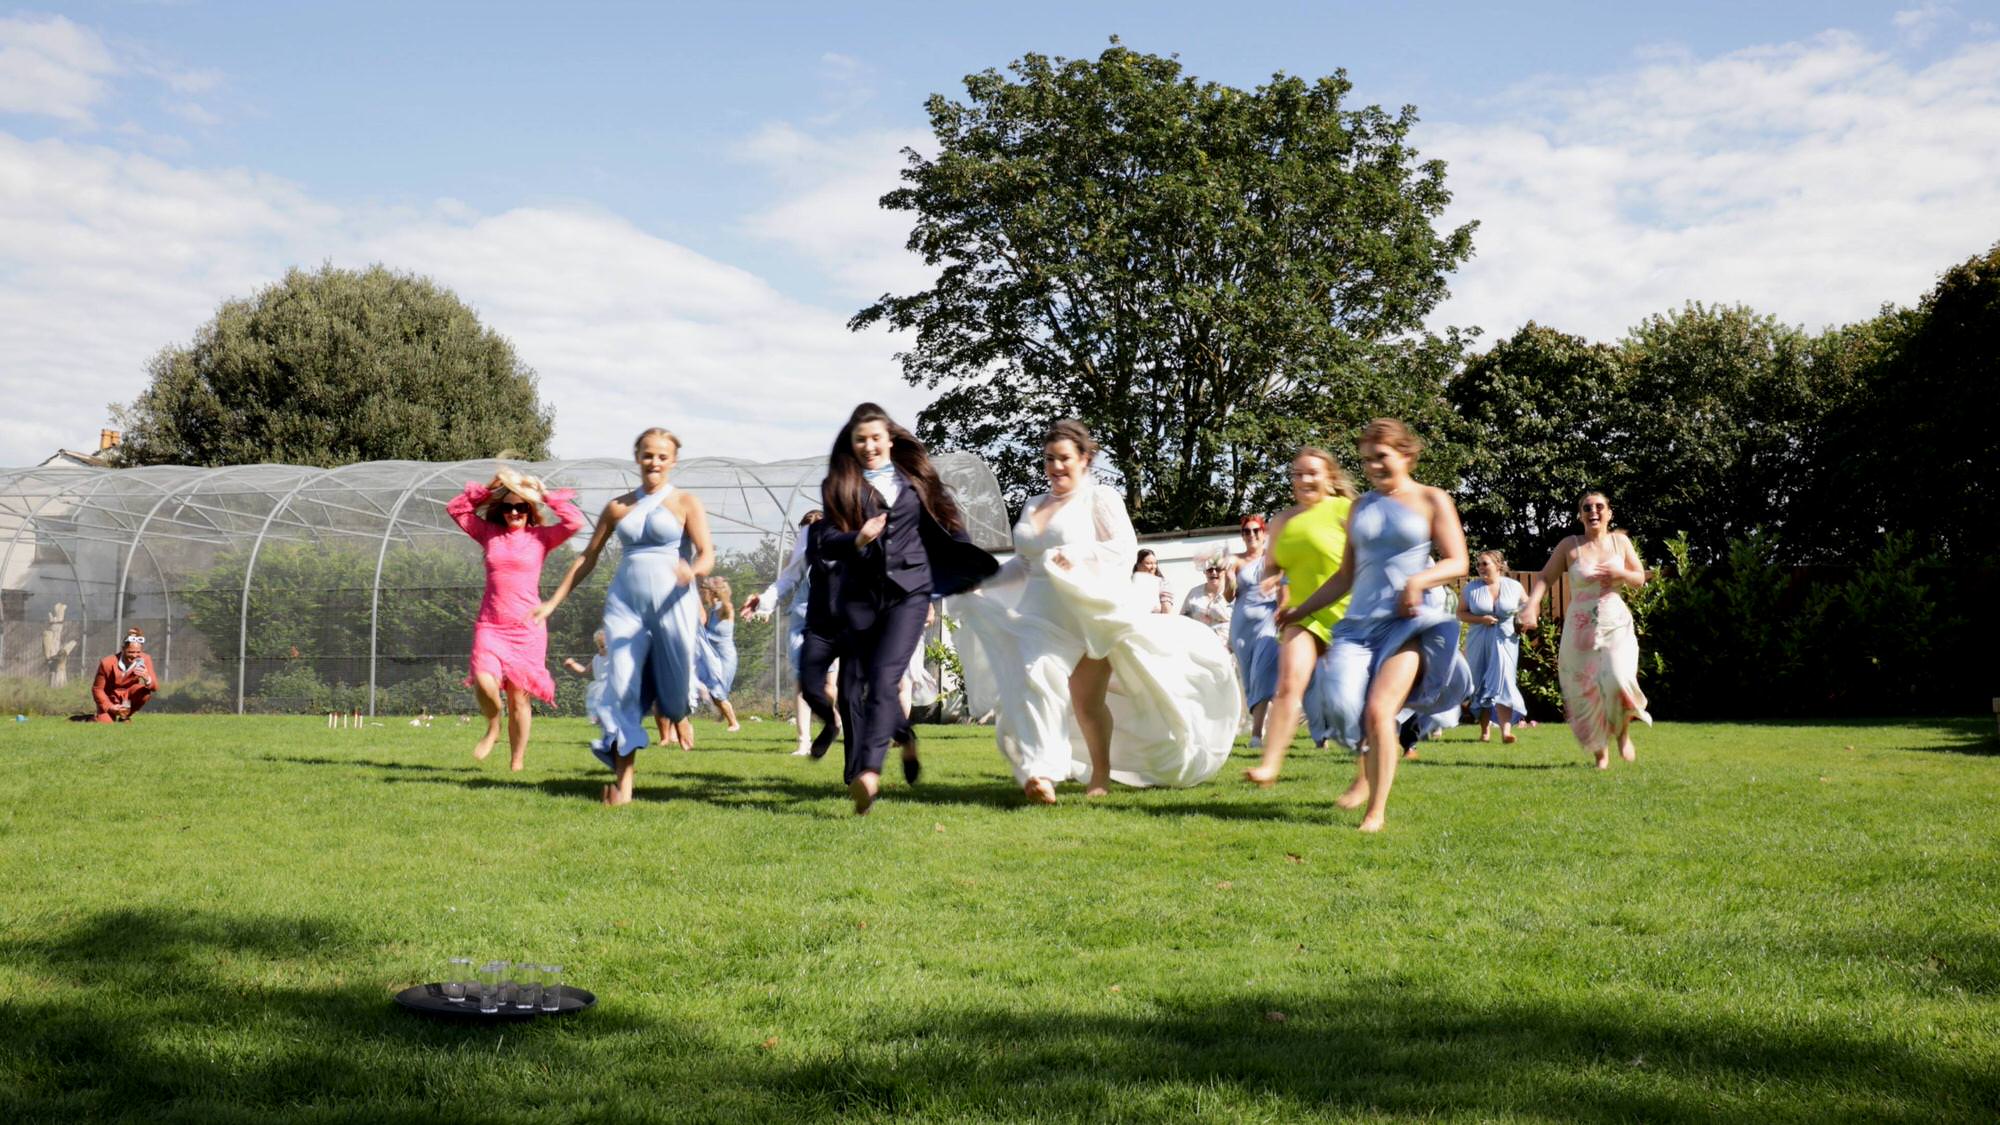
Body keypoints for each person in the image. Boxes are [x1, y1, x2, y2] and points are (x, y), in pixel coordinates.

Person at [953, 420, 1238, 803]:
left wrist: (1078, 555)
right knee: (1035, 678)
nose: (1056, 467)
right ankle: (1041, 772)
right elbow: (1023, 565)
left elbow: (1123, 547)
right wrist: (983, 583)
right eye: (1049, 459)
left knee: (1086, 705)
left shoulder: (1099, 499)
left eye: (1064, 458)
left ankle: (1100, 773)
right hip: (1039, 616)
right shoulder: (1034, 504)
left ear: (1085, 459)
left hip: (1087, 616)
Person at [1282, 419, 1472, 832]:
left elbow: (1458, 561)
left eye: (1381, 457)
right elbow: (1344, 576)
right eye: (1367, 460)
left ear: (1405, 454)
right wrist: (1300, 610)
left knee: (1380, 709)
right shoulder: (1360, 507)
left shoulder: (1431, 499)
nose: (1373, 467)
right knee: (1342, 705)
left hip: (1407, 626)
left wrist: (1419, 580)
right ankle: (1365, 769)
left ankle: (1376, 812)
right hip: (1356, 628)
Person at [820, 403, 998, 814]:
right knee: (855, 689)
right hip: (862, 598)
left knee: (885, 681)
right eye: (860, 440)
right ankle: (906, 737)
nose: (869, 446)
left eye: (876, 438)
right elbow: (826, 540)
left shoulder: (915, 480)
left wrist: (967, 568)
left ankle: (868, 775)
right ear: (852, 444)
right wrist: (858, 539)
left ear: (890, 439)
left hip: (911, 593)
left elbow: (950, 524)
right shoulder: (839, 485)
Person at [534, 428, 713, 806]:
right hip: (626, 607)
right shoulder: (618, 507)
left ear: (673, 461)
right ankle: (623, 789)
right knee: (622, 691)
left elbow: (706, 553)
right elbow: (588, 557)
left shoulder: (685, 502)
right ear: (637, 457)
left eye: (663, 456)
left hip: (672, 605)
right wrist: (552, 602)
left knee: (675, 698)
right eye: (648, 455)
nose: (655, 462)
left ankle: (678, 712)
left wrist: (693, 573)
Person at [445, 466, 585, 770]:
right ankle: (493, 726)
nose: (513, 512)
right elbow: (455, 508)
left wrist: (545, 494)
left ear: (529, 509)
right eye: (508, 507)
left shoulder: (541, 538)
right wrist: (491, 487)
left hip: (527, 629)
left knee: (520, 700)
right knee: (484, 682)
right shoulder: (489, 533)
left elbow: (575, 522)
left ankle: (517, 762)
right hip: (491, 626)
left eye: (520, 506)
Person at [1244, 448, 1356, 786]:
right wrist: (1272, 577)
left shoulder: (1346, 511)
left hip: (1348, 613)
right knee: (1288, 685)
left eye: (1312, 473)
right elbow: (1274, 564)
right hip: (1302, 615)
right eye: (1297, 473)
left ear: (1329, 477)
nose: (1304, 480)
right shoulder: (1282, 521)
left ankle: (1366, 777)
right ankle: (1270, 765)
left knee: (1351, 698)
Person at [1520, 490, 1652, 768]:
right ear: (1580, 515)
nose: (1594, 511)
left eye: (1599, 507)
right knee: (1587, 690)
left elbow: (1639, 578)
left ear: (1609, 513)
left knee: (1618, 678)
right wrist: (1531, 606)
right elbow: (1545, 576)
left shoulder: (1620, 542)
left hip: (1615, 621)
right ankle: (1600, 754)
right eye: (1587, 508)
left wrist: (1621, 575)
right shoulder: (1570, 545)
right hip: (1580, 626)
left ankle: (1623, 734)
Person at [744, 510, 842, 757]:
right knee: (802, 682)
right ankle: (803, 742)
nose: (811, 529)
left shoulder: (843, 549)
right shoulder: (804, 550)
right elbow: (787, 579)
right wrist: (763, 602)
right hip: (801, 617)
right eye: (807, 526)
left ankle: (835, 720)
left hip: (830, 621)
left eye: (816, 524)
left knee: (829, 685)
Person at [1459, 549, 1528, 743]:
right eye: (1478, 564)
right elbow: (1461, 613)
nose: (1480, 567)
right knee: (1481, 683)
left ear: (1498, 565)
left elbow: (1528, 606)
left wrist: (1524, 621)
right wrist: (1481, 619)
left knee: (1504, 681)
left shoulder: (1514, 586)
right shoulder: (1471, 588)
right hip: (1479, 641)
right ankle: (1484, 731)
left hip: (1506, 640)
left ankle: (1505, 731)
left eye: (1485, 563)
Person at [1224, 516, 1281, 748]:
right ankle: (1262, 726)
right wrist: (1229, 580)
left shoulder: (1274, 557)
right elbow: (1228, 597)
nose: (1251, 535)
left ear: (1264, 533)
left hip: (1267, 621)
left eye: (1256, 530)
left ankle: (1257, 735)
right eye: (1246, 531)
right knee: (1249, 680)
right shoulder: (1235, 561)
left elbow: (1284, 584)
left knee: (1263, 673)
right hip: (1242, 626)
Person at [694, 577, 741, 731]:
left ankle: (734, 723)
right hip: (712, 655)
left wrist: (721, 589)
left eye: (704, 592)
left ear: (713, 593)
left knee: (718, 691)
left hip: (725, 655)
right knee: (712, 688)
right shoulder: (713, 610)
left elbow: (727, 605)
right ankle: (724, 716)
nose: (702, 595)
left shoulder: (725, 608)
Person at [90, 630, 157, 722]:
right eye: (131, 652)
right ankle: (90, 718)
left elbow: (155, 687)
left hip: (127, 698)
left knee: (145, 692)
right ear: (123, 649)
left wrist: (147, 679)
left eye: (138, 652)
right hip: (110, 698)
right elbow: (97, 689)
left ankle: (124, 716)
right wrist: (110, 707)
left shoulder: (145, 659)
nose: (134, 656)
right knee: (105, 723)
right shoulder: (107, 663)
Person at [1180, 557, 1233, 642]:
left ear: (1225, 571)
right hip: (1199, 643)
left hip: (1227, 646)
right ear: (1205, 572)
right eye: (1210, 569)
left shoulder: (1232, 593)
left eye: (1218, 569)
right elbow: (1183, 619)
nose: (1214, 572)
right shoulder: (1194, 593)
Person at [1131, 550, 1174, 614]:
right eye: (1148, 563)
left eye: (1155, 563)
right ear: (1138, 565)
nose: (1153, 567)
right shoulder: (1129, 582)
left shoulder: (1162, 583)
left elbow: (1166, 609)